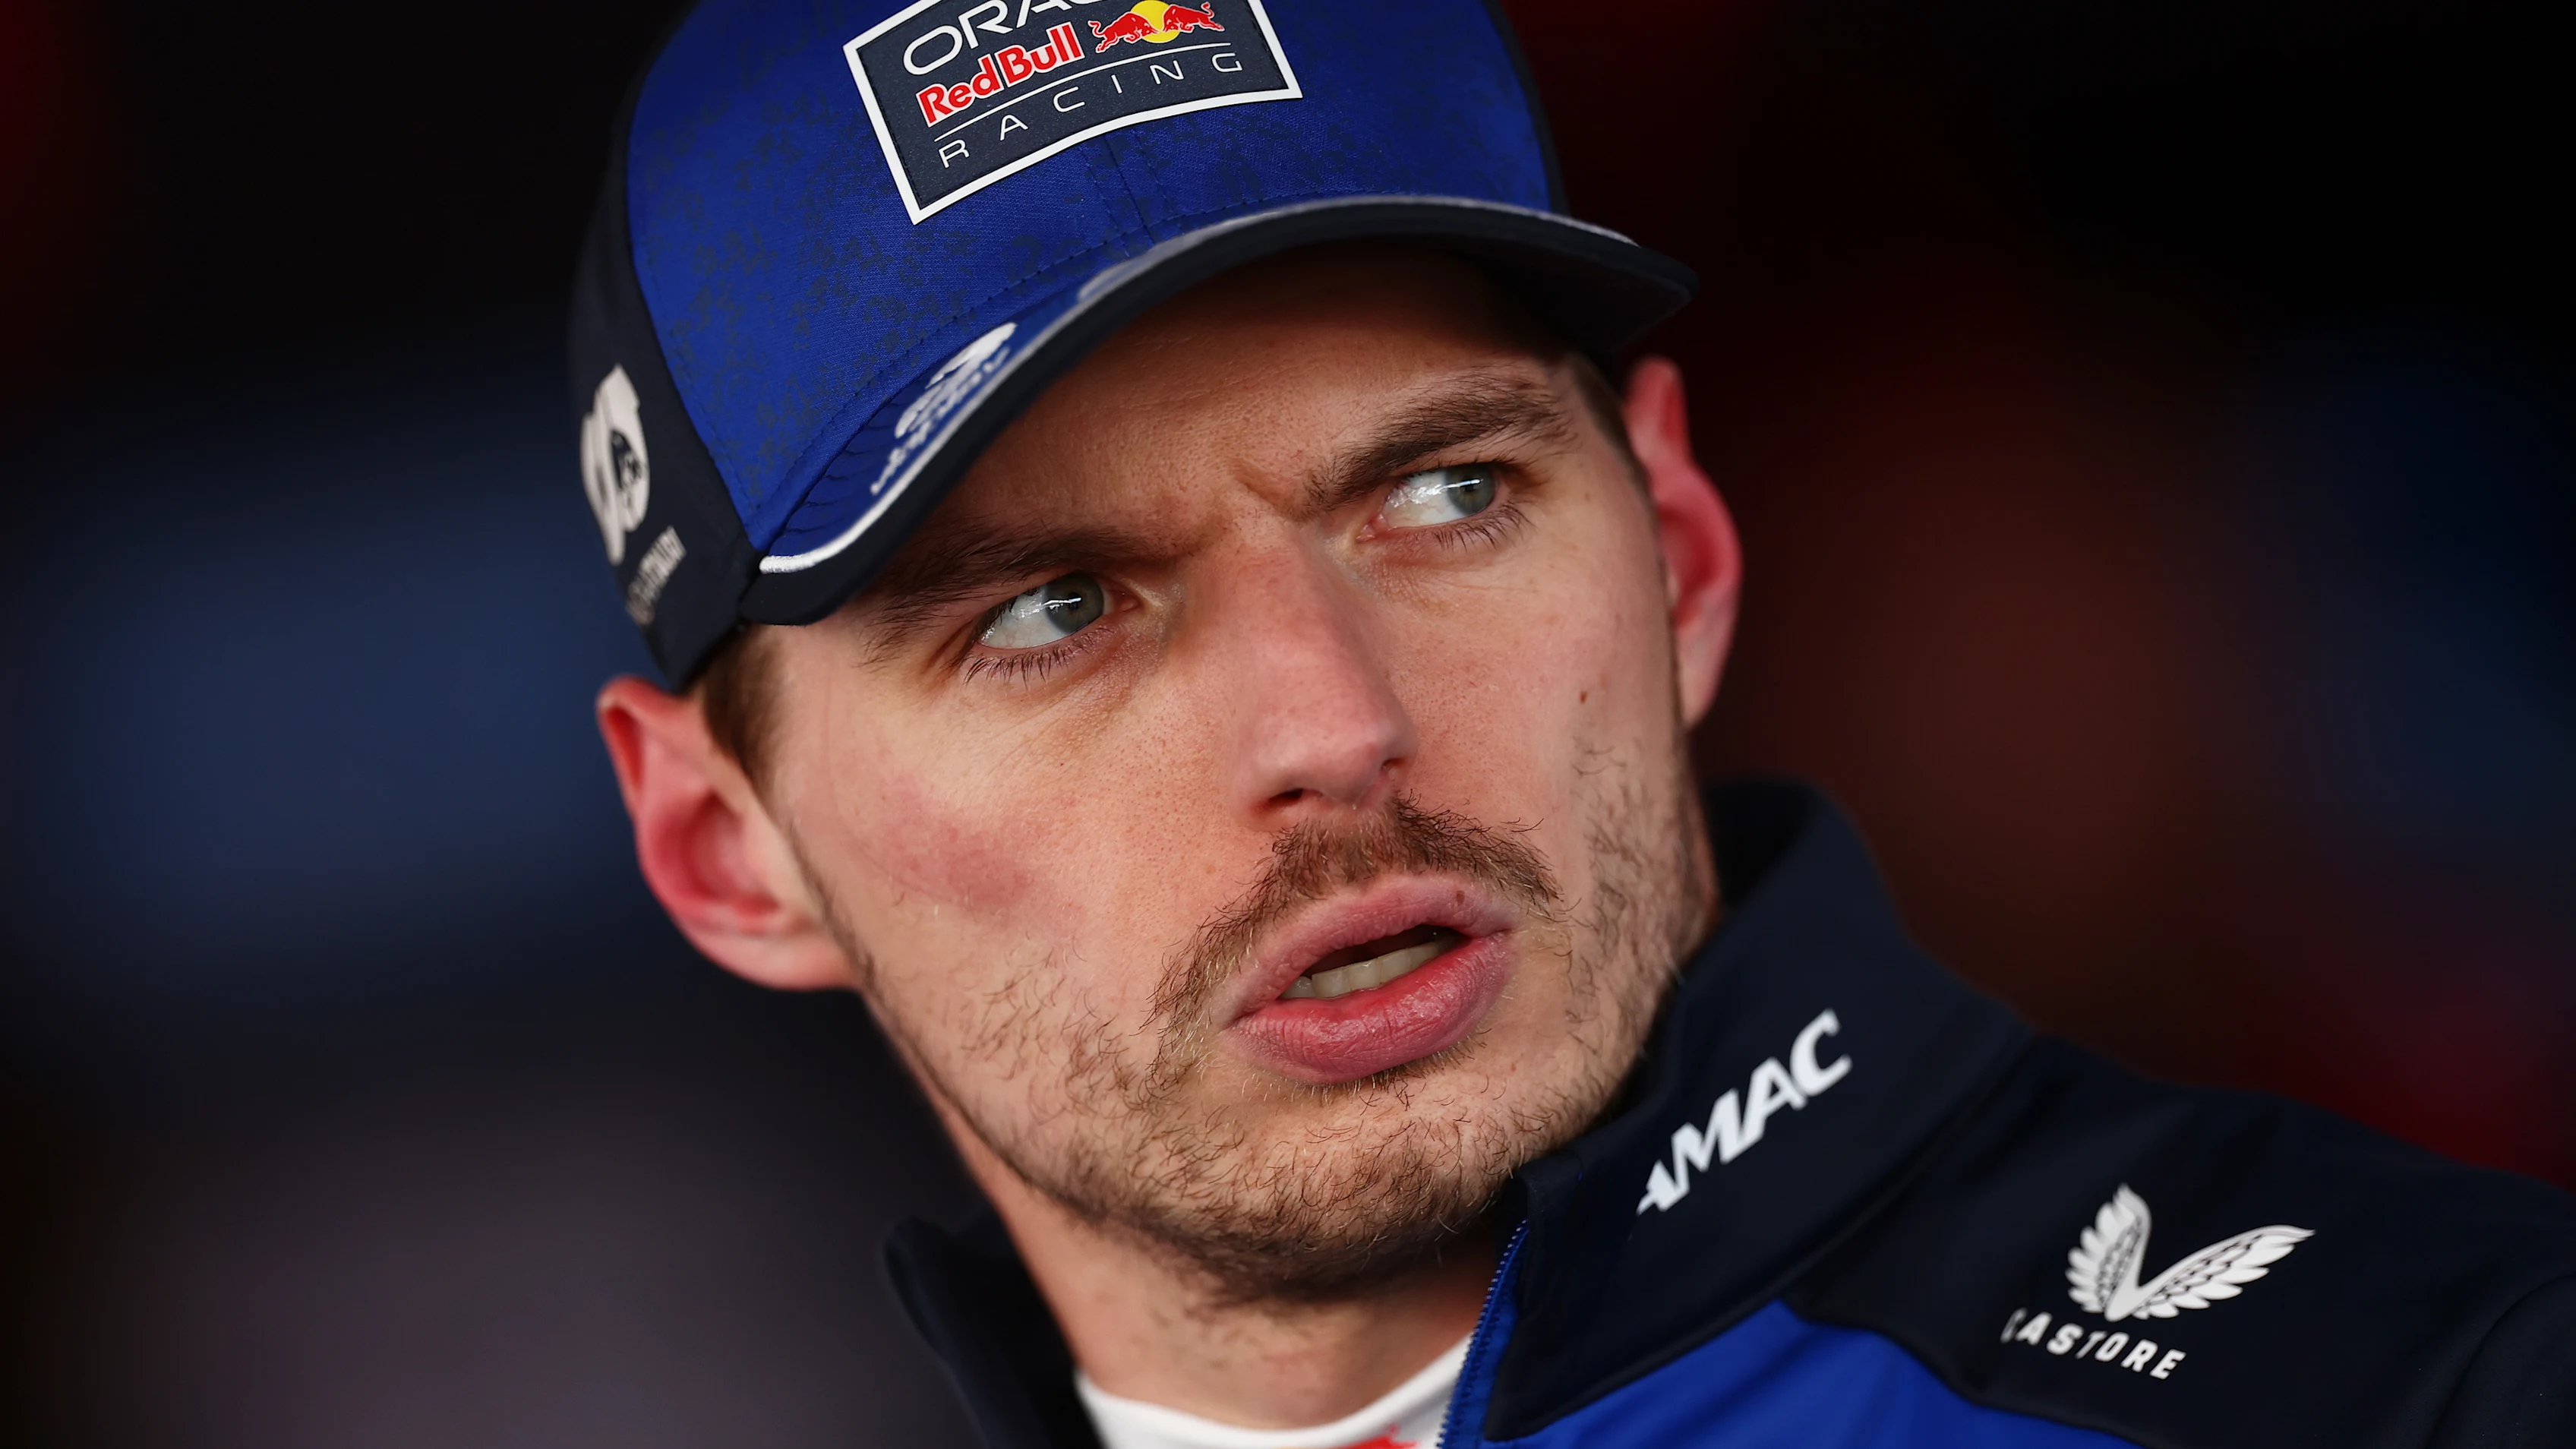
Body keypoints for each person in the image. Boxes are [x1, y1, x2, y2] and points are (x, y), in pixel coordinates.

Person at [571, 1, 2576, 1445]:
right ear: (723, 850)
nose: (1335, 724)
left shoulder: (2447, 1380)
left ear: (1683, 557)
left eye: (1444, 497)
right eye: (1053, 609)